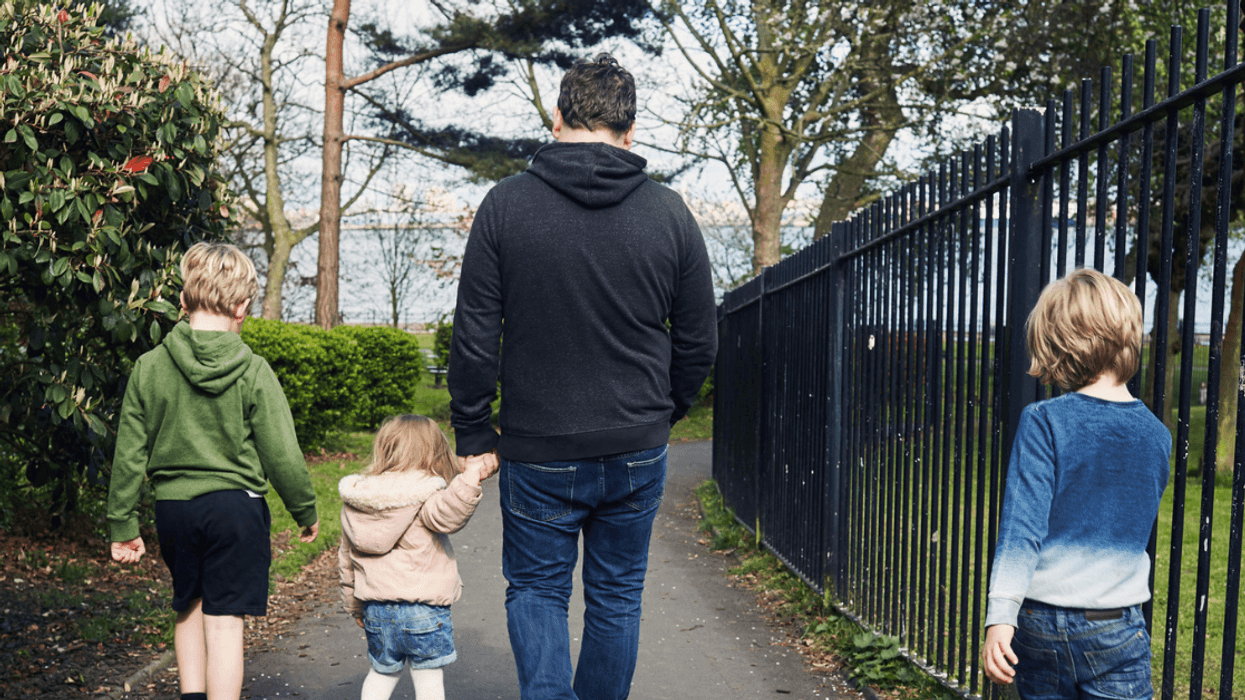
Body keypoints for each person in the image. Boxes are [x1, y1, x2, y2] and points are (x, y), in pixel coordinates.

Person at [448, 52, 718, 700]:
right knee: (617, 596)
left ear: (556, 117)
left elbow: (475, 333)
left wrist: (472, 430)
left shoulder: (505, 207)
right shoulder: (670, 214)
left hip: (539, 445)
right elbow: (700, 338)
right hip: (635, 440)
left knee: (537, 590)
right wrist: (665, 410)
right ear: (628, 129)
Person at [107, 242, 319, 700]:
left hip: (174, 509)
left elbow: (129, 454)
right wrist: (304, 509)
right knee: (224, 623)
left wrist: (123, 525)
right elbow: (281, 451)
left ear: (182, 302)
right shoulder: (253, 371)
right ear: (243, 307)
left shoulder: (150, 367)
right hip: (236, 511)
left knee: (188, 608)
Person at [982, 268, 1171, 699]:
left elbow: (1020, 532)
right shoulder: (1157, 435)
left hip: (1039, 625)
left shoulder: (1044, 422)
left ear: (1059, 345)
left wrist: (1001, 617)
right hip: (1117, 624)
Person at [337, 414, 497, 700]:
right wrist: (471, 476)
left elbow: (346, 560)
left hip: (376, 610)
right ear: (433, 451)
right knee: (428, 680)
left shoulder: (358, 500)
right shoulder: (424, 493)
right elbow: (449, 514)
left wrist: (354, 606)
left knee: (381, 674)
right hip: (423, 609)